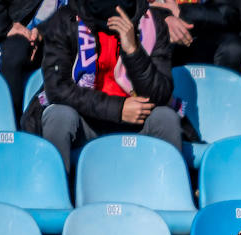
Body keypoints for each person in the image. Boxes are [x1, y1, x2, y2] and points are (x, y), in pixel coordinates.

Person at [21, 0, 184, 173]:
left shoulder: (151, 22)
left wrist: (134, 51)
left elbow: (161, 93)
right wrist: (118, 109)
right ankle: (57, 194)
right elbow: (58, 89)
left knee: (166, 118)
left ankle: (168, 194)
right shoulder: (65, 20)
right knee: (59, 116)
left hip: (137, 120)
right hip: (85, 120)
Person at [147, 0, 241, 71]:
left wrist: (180, 11)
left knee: (233, 48)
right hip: (148, 39)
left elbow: (228, 13)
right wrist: (162, 18)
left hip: (194, 41)